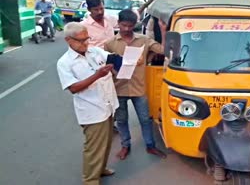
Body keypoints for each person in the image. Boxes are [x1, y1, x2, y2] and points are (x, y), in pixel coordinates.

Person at [56, 22, 119, 185]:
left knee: (106, 143)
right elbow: (74, 88)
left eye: (87, 39)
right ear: (69, 40)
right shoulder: (65, 63)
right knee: (93, 147)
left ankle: (101, 169)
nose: (86, 43)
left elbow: (111, 58)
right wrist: (97, 75)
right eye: (81, 40)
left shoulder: (93, 51)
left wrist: (127, 60)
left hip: (108, 104)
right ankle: (90, 179)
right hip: (92, 110)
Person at [104, 9, 167, 160]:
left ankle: (150, 146)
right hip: (119, 89)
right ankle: (125, 146)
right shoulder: (109, 44)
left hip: (139, 89)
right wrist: (114, 71)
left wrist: (163, 30)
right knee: (122, 120)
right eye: (124, 25)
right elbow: (106, 66)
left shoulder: (144, 40)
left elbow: (164, 50)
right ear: (118, 24)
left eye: (130, 26)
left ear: (135, 25)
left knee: (145, 119)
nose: (126, 29)